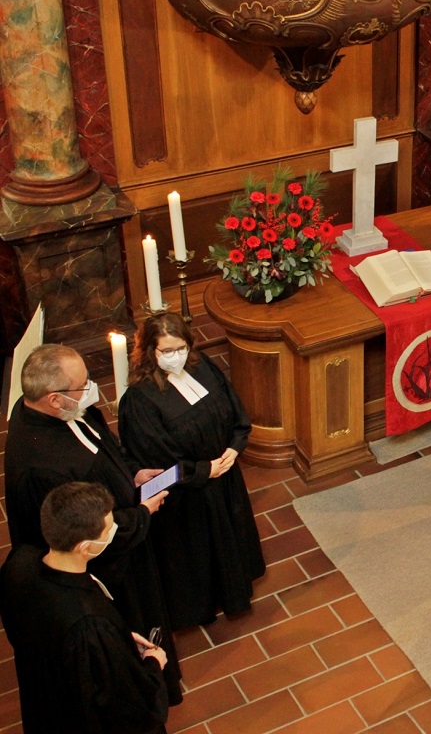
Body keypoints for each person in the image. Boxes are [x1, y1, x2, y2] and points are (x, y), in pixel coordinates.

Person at [4, 343, 182, 702]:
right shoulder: (41, 468)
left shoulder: (67, 412)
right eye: (83, 385)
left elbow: (103, 449)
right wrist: (142, 514)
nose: (91, 391)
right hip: (109, 563)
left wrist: (130, 474)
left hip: (124, 523)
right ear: (54, 400)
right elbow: (82, 528)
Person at [118, 312, 266, 629]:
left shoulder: (202, 367)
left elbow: (233, 409)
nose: (177, 357)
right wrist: (202, 470)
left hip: (223, 477)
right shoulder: (140, 400)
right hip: (188, 496)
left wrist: (235, 445)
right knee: (198, 552)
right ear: (150, 352)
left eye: (181, 348)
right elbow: (156, 464)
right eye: (167, 351)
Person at [0, 482, 170, 734]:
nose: (114, 529)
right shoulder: (89, 626)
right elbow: (126, 707)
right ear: (85, 547)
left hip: (44, 696)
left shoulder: (20, 561)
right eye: (109, 528)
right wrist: (154, 666)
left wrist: (115, 642)